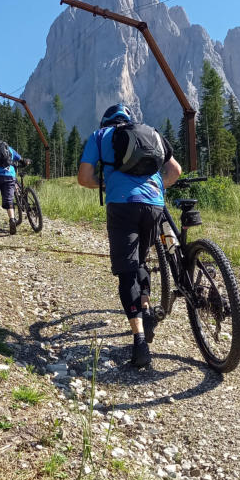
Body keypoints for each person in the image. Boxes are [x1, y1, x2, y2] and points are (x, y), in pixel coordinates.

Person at [78, 103, 182, 368]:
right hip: (154, 205)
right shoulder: (152, 132)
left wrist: (106, 183)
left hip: (122, 205)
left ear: (105, 122)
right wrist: (156, 187)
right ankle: (146, 311)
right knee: (141, 261)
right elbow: (175, 171)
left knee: (127, 272)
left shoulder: (100, 136)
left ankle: (140, 342)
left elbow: (84, 178)